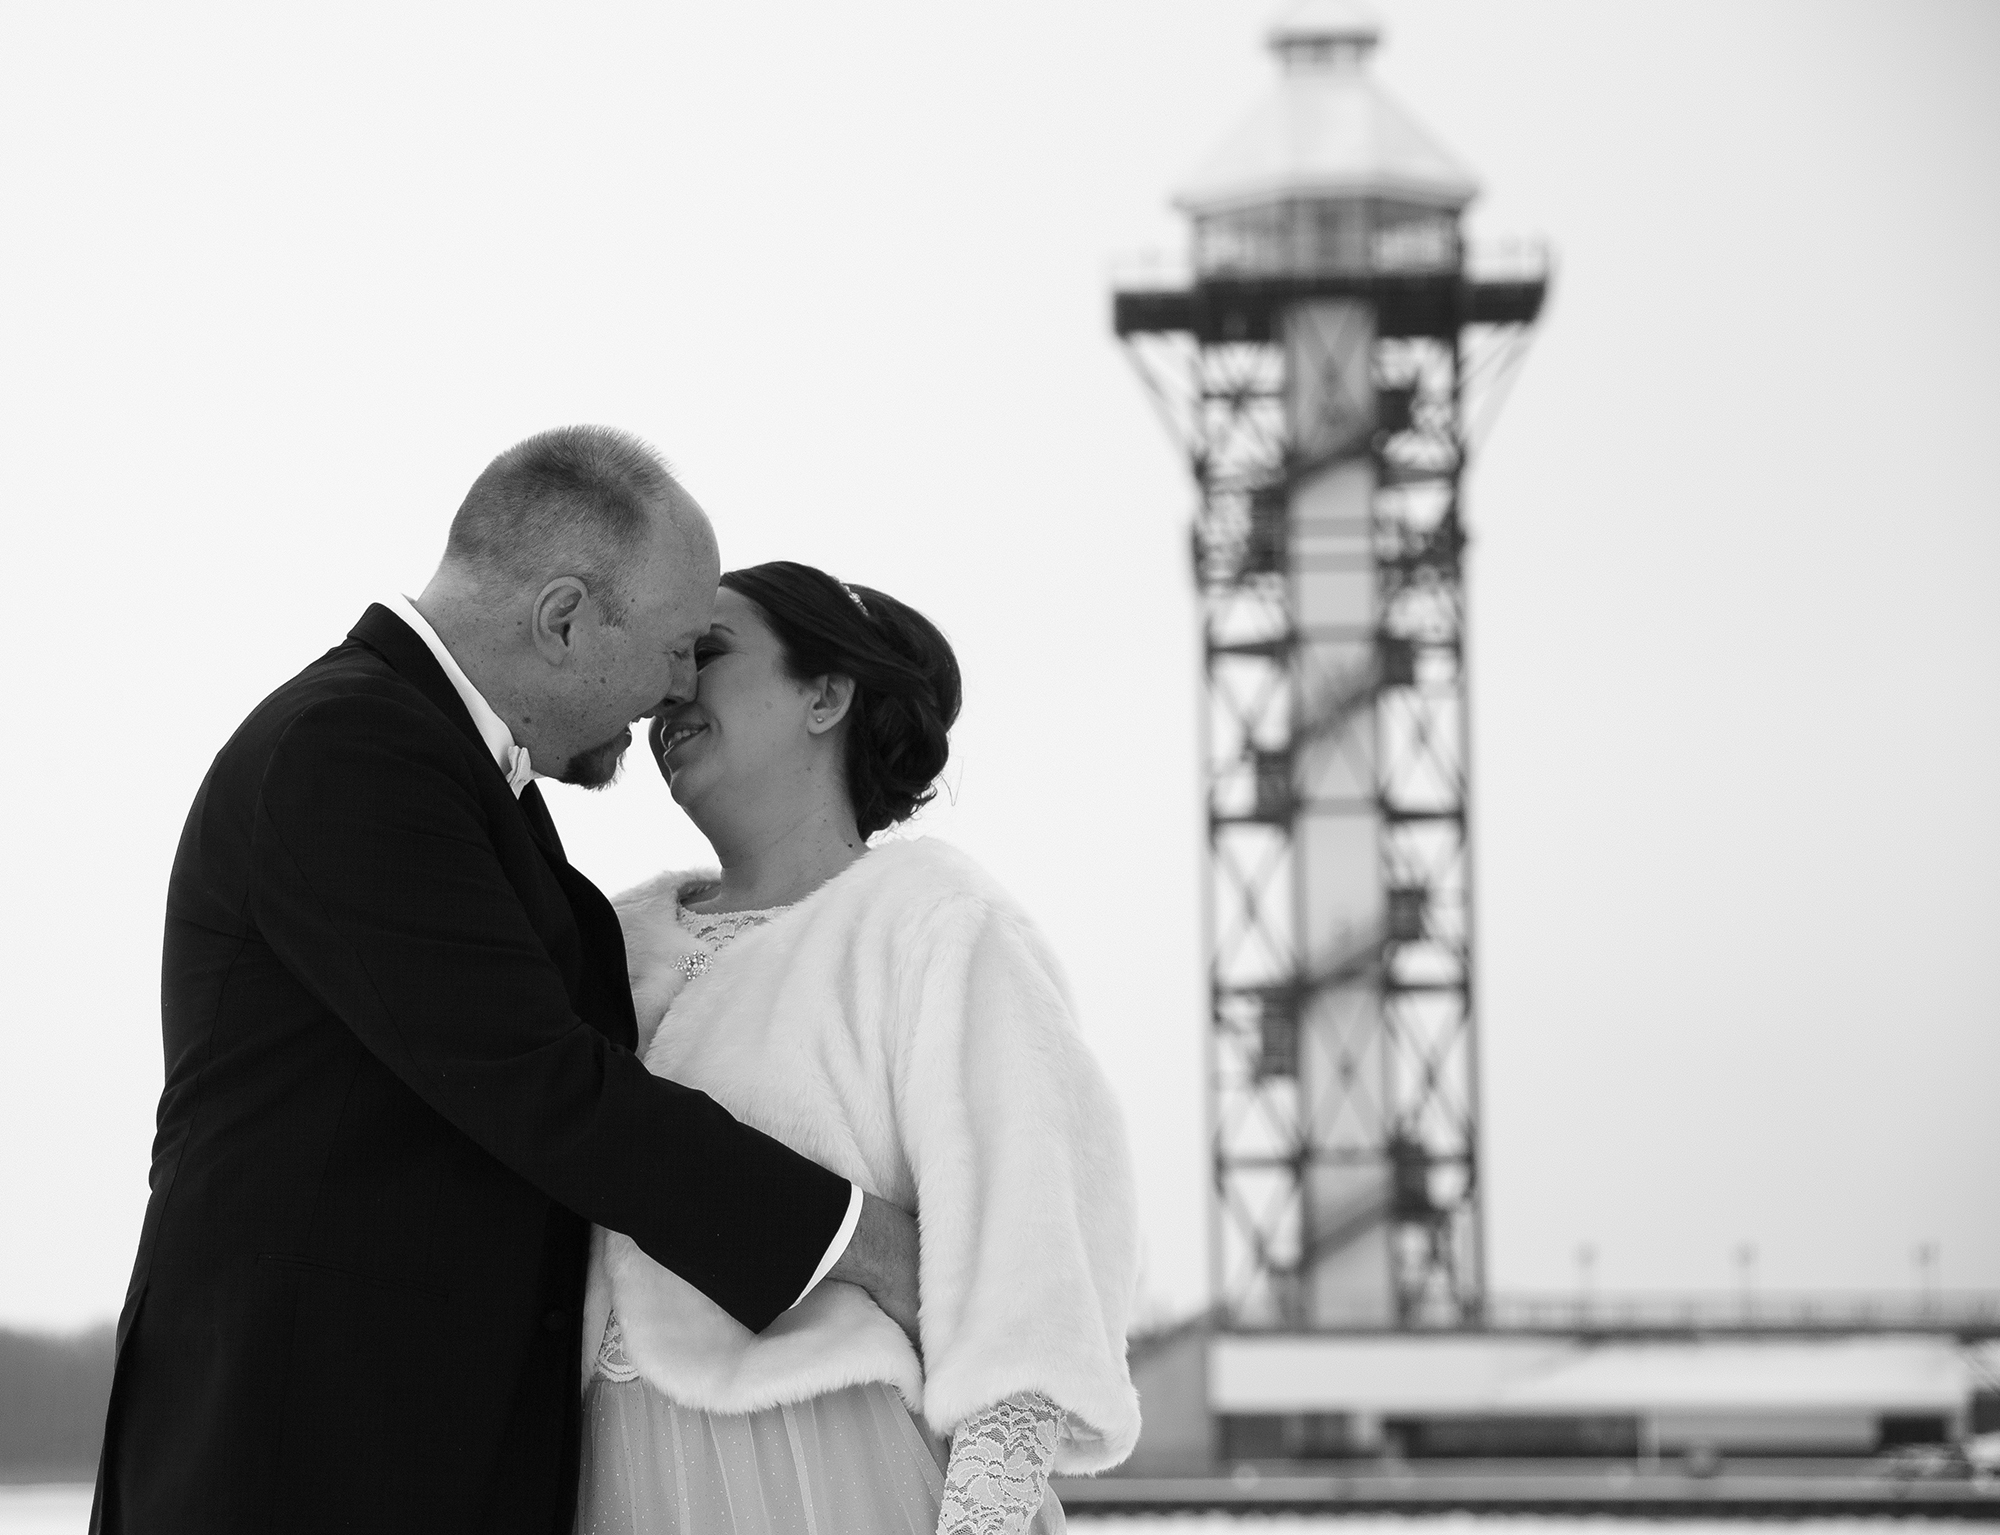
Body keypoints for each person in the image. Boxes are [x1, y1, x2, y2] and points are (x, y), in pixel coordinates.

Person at [91, 430, 920, 1535]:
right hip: (299, 1453)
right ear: (565, 616)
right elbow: (545, 1087)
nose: (677, 689)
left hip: (407, 1448)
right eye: (677, 647)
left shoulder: (449, 770)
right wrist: (862, 1243)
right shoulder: (349, 751)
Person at [576, 561, 1142, 1535]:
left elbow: (1029, 1285)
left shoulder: (942, 928)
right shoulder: (599, 940)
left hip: (832, 1473)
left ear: (825, 693)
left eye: (704, 652)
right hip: (600, 1475)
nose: (667, 689)